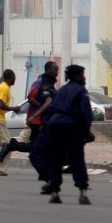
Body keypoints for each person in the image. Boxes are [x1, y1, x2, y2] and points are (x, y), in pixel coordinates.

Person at [45, 65, 94, 205]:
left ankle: (54, 193)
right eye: (83, 74)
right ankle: (83, 193)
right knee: (77, 159)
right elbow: (86, 113)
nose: (84, 77)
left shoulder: (61, 90)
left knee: (56, 159)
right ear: (77, 76)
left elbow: (50, 111)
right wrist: (85, 133)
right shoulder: (81, 91)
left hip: (54, 125)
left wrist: (48, 128)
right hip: (71, 126)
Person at [0, 62, 59, 162]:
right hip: (37, 120)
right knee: (38, 146)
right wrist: (41, 108)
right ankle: (11, 146)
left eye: (57, 70)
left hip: (43, 120)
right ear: (48, 70)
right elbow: (30, 98)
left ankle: (12, 146)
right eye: (55, 69)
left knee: (37, 146)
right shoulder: (39, 83)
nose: (57, 72)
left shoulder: (49, 84)